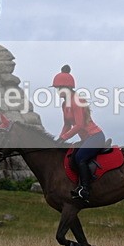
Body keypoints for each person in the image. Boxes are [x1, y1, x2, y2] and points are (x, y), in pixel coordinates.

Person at [52, 65, 107, 201]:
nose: (58, 92)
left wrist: (64, 137)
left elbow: (79, 125)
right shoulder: (65, 105)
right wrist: (59, 139)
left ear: (67, 88)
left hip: (95, 136)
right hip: (86, 139)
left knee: (80, 158)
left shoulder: (77, 101)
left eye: (59, 88)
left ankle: (86, 190)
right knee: (72, 157)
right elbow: (66, 124)